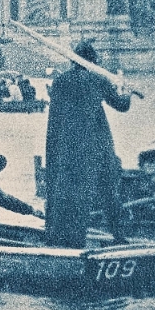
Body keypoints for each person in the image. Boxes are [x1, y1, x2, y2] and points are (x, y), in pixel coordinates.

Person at [44, 41, 132, 247]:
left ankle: (68, 239)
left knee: (70, 193)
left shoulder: (59, 82)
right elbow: (122, 105)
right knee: (109, 191)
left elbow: (55, 119)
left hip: (67, 147)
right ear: (94, 60)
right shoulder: (98, 79)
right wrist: (125, 90)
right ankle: (119, 236)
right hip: (97, 147)